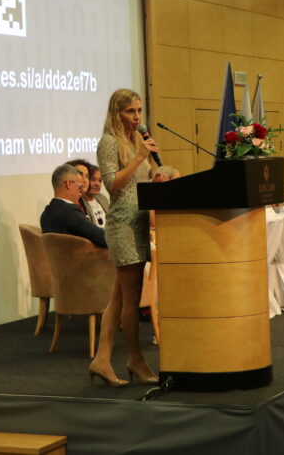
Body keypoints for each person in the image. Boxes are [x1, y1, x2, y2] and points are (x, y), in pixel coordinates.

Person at [89, 88, 161, 387]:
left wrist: (156, 177)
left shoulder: (136, 141)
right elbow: (113, 184)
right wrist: (140, 157)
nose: (137, 117)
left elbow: (137, 183)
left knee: (118, 298)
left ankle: (101, 360)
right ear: (117, 113)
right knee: (131, 299)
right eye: (130, 111)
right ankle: (136, 359)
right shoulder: (109, 142)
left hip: (140, 222)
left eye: (139, 111)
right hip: (123, 226)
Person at [40, 163, 108, 248]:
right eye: (79, 187)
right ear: (69, 184)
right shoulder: (70, 212)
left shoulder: (45, 214)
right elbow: (102, 238)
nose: (80, 192)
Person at [82, 164, 109, 229]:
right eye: (93, 180)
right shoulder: (79, 202)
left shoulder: (103, 198)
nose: (97, 184)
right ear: (86, 180)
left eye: (100, 181)